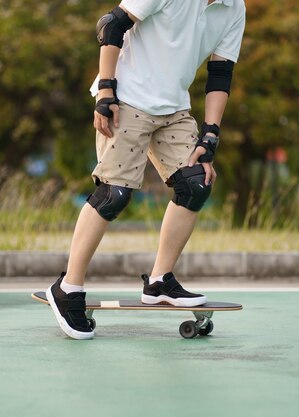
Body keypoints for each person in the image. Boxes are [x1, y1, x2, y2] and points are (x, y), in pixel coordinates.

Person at [47, 0, 246, 340]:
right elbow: (111, 25)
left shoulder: (234, 8)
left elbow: (220, 74)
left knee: (195, 184)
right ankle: (69, 287)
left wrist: (210, 135)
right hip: (127, 98)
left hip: (174, 108)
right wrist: (106, 91)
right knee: (114, 193)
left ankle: (159, 282)